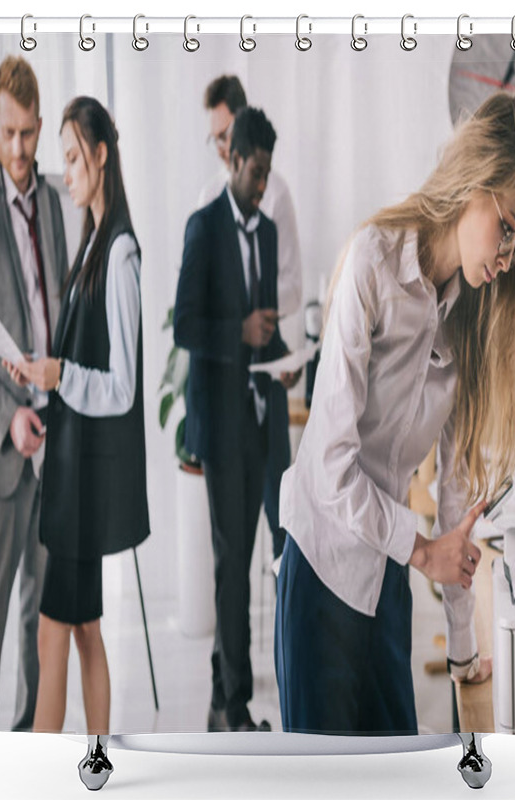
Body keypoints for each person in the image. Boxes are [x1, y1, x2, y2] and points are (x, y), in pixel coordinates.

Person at [275, 91, 515, 735]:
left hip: (388, 577)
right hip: (320, 571)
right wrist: (423, 550)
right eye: (507, 227)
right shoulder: (372, 261)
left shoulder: (467, 323)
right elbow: (331, 469)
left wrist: (463, 652)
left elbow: (455, 503)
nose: (507, 256)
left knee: (397, 773)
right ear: (474, 182)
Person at [5, 97, 149, 748]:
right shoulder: (92, 239)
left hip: (82, 489)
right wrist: (45, 378)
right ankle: (96, 762)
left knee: (52, 631)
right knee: (84, 629)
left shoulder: (119, 254)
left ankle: (44, 771)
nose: (64, 173)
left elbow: (120, 387)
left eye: (71, 158)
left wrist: (60, 375)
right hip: (72, 476)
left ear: (100, 154)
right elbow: (81, 360)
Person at [175, 106, 301, 733]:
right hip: (223, 430)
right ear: (232, 161)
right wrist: (240, 332)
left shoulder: (271, 231)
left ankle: (242, 692)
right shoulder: (203, 228)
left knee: (276, 557)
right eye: (255, 171)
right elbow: (186, 326)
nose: (262, 184)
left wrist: (286, 361)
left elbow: (268, 331)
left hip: (265, 424)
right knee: (231, 566)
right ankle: (234, 706)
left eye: (268, 173)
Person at [0, 55, 69, 731]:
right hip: (2, 442)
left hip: (54, 429)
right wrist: (8, 419)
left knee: (41, 608)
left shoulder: (56, 201)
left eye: (30, 133)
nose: (21, 150)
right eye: (10, 135)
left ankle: (31, 742)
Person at [198, 75, 302, 561]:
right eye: (215, 138)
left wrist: (254, 317)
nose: (220, 147)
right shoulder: (207, 204)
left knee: (283, 526)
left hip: (266, 381)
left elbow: (292, 286)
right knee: (231, 551)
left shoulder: (275, 194)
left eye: (223, 135)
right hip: (225, 390)